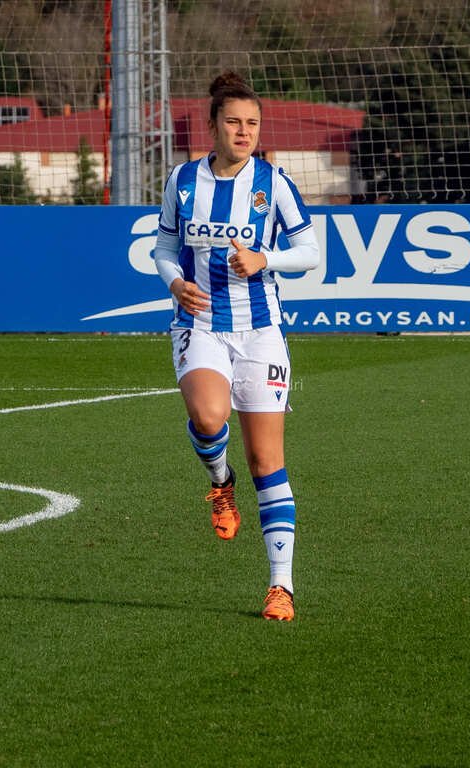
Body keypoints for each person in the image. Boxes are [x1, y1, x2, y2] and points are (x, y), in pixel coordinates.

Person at [152, 71, 320, 621]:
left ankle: (281, 587)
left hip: (261, 329)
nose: (244, 131)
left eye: (252, 123)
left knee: (267, 459)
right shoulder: (181, 180)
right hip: (199, 323)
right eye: (234, 122)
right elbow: (164, 247)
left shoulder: (274, 184)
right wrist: (175, 283)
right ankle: (220, 483)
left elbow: (310, 253)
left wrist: (265, 259)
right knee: (207, 416)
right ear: (212, 125)